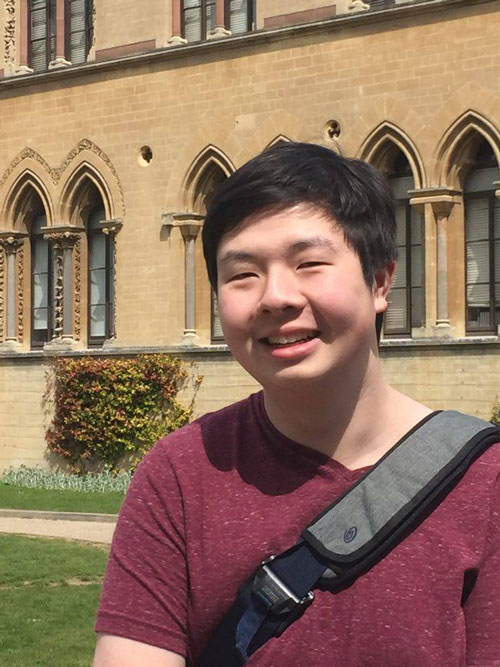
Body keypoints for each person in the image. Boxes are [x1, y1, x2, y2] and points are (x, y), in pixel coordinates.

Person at [94, 143, 500, 667]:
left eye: (309, 263)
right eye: (243, 274)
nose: (275, 297)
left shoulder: (485, 485)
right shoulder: (179, 475)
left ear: (380, 281)